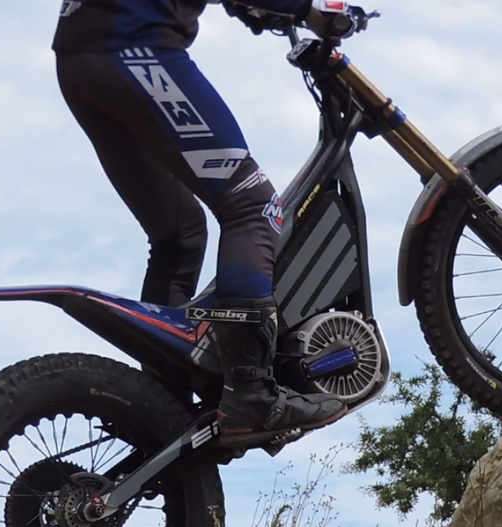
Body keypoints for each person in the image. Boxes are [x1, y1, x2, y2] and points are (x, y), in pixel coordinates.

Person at [52, 0, 349, 450]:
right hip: (132, 46)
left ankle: (160, 405)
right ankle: (250, 393)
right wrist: (309, 8)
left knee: (180, 235)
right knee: (252, 206)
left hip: (81, 59)